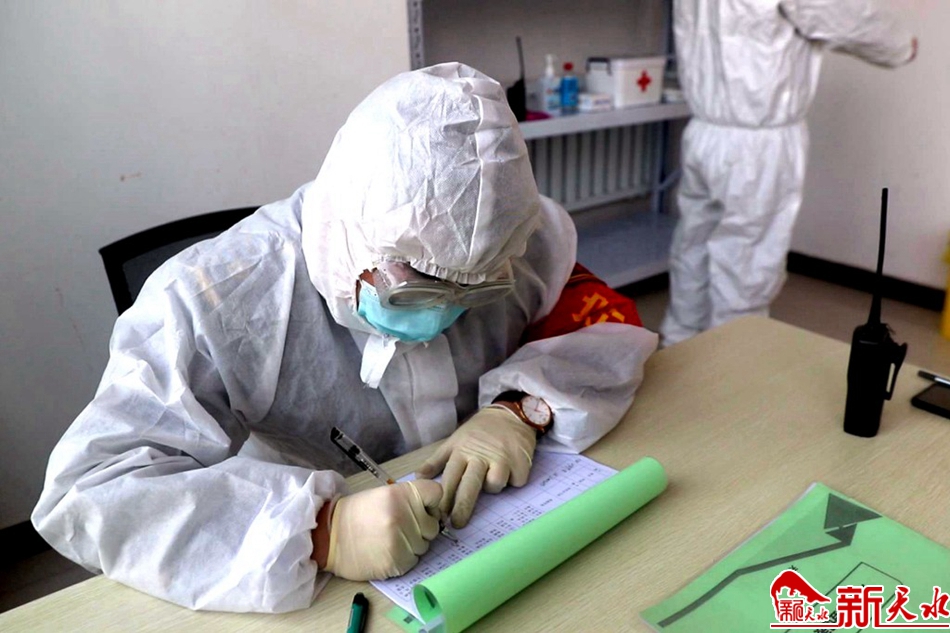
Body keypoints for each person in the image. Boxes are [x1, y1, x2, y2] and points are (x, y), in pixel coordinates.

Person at [32, 62, 658, 613]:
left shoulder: (520, 237)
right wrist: (320, 531)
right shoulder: (220, 294)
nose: (445, 308)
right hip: (310, 572)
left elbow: (605, 328)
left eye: (476, 289)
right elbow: (90, 490)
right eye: (415, 285)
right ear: (346, 228)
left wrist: (519, 407)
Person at [661, 0, 918, 347]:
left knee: (694, 243)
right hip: (758, 142)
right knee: (746, 260)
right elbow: (838, 13)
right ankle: (733, 355)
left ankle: (679, 342)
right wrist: (899, 44)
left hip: (704, 131)